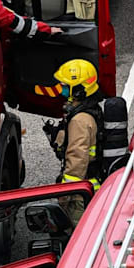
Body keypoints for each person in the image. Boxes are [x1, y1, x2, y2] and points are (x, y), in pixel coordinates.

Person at [51, 58, 102, 220]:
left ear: (78, 89)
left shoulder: (80, 120)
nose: (62, 90)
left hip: (81, 194)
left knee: (80, 231)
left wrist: (66, 194)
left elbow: (77, 160)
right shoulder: (91, 108)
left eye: (65, 86)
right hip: (92, 185)